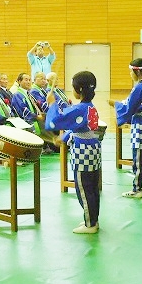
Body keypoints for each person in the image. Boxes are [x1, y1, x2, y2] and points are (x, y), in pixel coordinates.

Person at [45, 71, 102, 234]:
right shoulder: (89, 106)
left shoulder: (80, 108)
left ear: (80, 90)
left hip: (83, 152)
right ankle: (92, 219)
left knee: (83, 188)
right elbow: (79, 127)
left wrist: (52, 104)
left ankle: (90, 224)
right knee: (92, 188)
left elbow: (54, 122)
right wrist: (64, 138)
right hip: (93, 149)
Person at [111, 58, 142, 198]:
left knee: (139, 158)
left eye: (131, 71)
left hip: (141, 125)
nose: (130, 74)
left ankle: (137, 189)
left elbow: (129, 108)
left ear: (137, 72)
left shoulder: (139, 87)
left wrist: (115, 105)